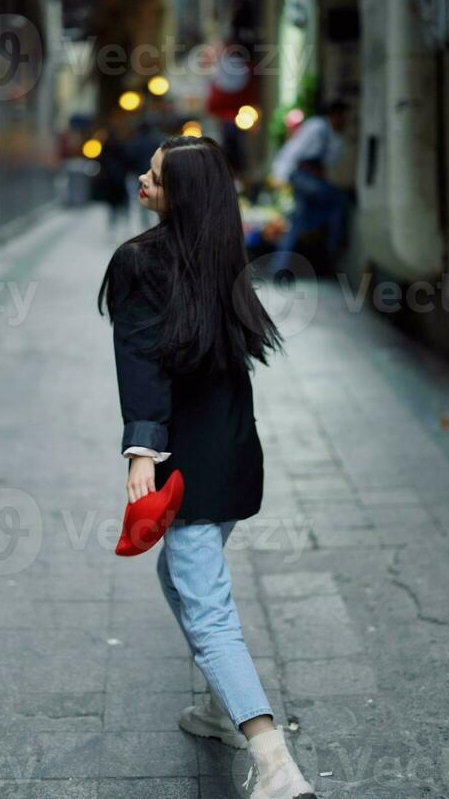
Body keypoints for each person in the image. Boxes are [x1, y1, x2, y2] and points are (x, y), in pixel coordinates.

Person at [97, 136, 318, 799]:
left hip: (186, 458)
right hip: (230, 451)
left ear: (181, 195)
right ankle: (222, 710)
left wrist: (142, 451)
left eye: (156, 177)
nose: (142, 179)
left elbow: (141, 360)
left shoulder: (140, 260)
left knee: (204, 601)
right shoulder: (220, 253)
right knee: (184, 575)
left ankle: (272, 758)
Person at [271, 100, 349, 276]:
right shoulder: (317, 126)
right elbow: (295, 149)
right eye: (341, 116)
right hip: (303, 177)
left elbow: (331, 160)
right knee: (337, 199)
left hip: (310, 178)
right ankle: (332, 251)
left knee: (299, 221)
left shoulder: (330, 133)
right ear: (334, 114)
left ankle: (281, 267)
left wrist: (338, 137)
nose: (343, 120)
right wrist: (281, 175)